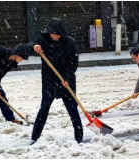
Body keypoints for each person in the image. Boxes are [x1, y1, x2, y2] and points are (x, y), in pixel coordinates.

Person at [27, 17, 83, 145]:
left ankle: (79, 138)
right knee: (44, 109)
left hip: (66, 81)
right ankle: (34, 138)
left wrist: (66, 77)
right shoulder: (43, 39)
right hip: (49, 80)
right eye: (53, 33)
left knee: (73, 110)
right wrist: (34, 46)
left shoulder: (70, 43)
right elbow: (29, 45)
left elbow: (73, 64)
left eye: (58, 34)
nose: (56, 36)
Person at [0, 44, 30, 124]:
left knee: (1, 95)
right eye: (22, 58)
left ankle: (10, 119)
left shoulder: (11, 64)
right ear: (17, 53)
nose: (22, 60)